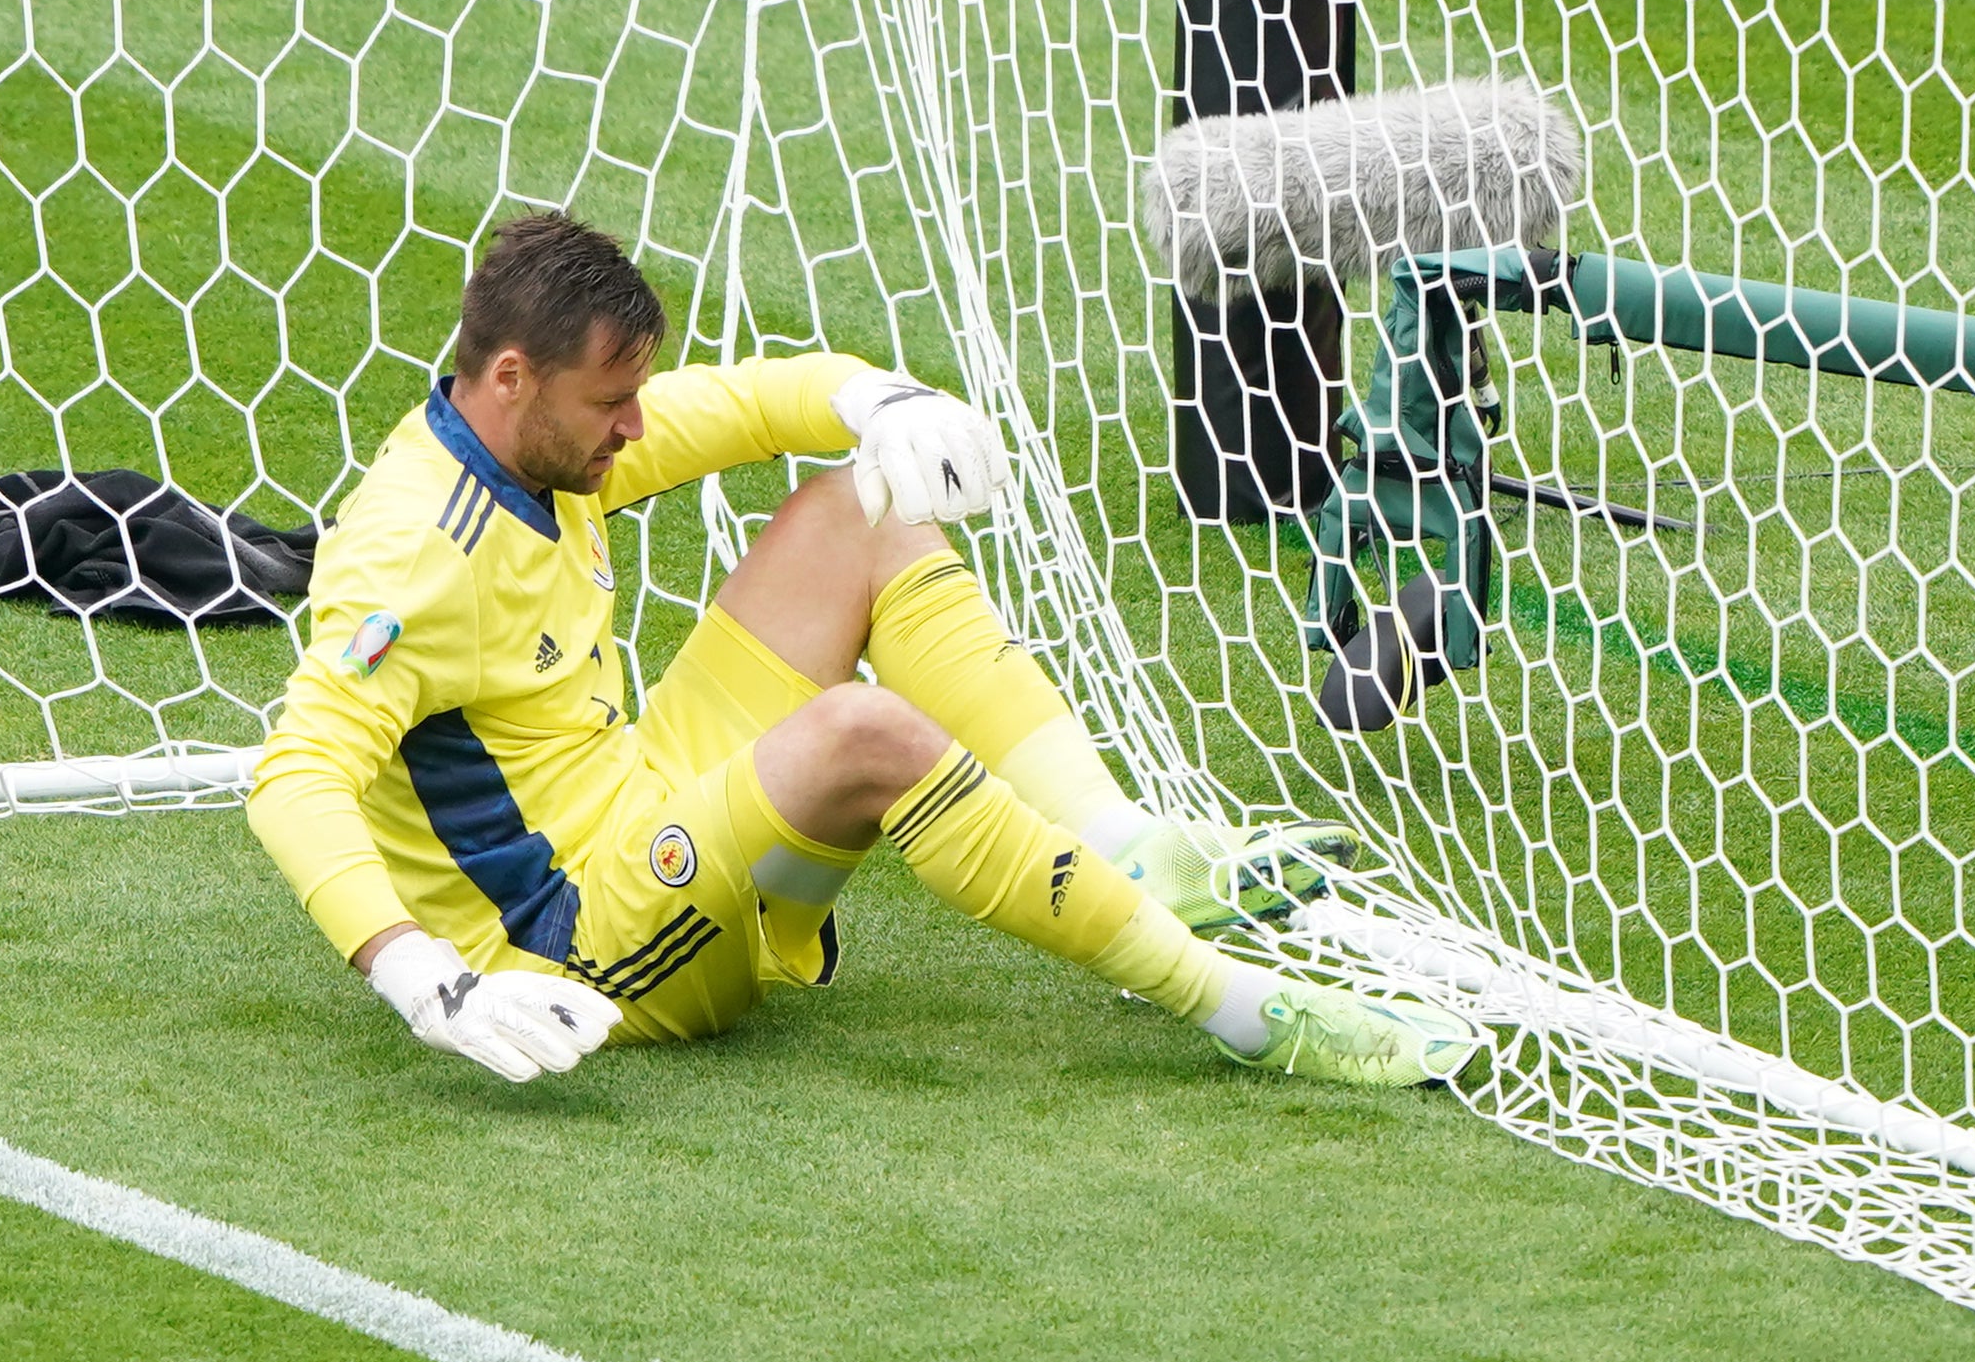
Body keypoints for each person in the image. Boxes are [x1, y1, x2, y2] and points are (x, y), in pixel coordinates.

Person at [248, 211, 1481, 1086]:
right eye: (610, 403)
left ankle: (1130, 850)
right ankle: (1243, 1013)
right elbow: (293, 778)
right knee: (865, 732)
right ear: (511, 376)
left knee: (863, 508)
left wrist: (885, 404)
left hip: (643, 804)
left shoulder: (537, 441)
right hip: (577, 946)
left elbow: (751, 402)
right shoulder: (416, 553)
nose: (633, 427)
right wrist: (431, 982)